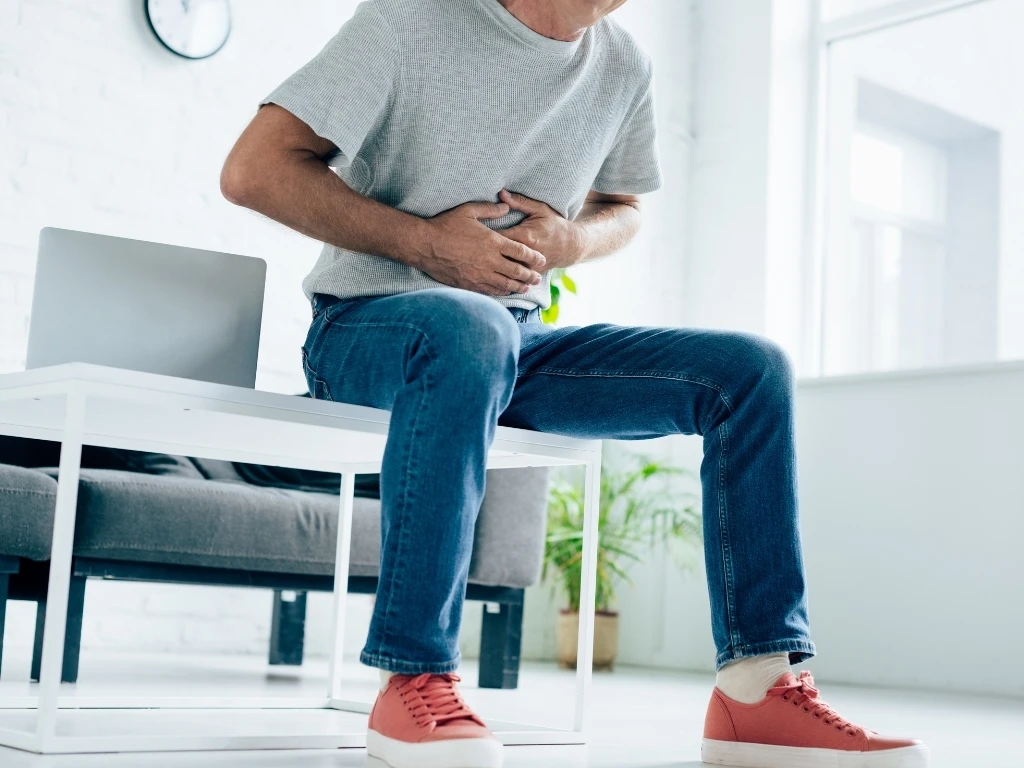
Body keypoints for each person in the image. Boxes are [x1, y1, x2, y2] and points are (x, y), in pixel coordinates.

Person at [221, 1, 929, 766]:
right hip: (366, 327)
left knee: (748, 371)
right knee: (472, 329)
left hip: (511, 340)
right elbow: (254, 170)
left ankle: (758, 693)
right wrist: (425, 244)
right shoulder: (413, 17)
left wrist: (571, 239)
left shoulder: (622, 65)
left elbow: (622, 209)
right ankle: (413, 675)